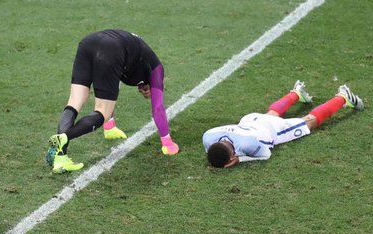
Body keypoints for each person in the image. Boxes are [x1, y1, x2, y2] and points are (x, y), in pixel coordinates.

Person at [45, 29, 180, 174]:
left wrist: (110, 126)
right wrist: (167, 143)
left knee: (75, 101)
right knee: (103, 111)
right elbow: (158, 108)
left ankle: (60, 158)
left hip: (89, 41)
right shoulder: (157, 70)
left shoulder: (134, 62)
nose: (147, 92)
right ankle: (64, 137)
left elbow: (113, 85)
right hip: (111, 48)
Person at [203, 81, 364, 168]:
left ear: (232, 156)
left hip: (273, 130)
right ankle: (296, 93)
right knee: (271, 114)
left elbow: (266, 155)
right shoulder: (208, 136)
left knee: (308, 122)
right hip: (250, 120)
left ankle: (343, 97)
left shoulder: (248, 145)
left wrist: (240, 160)